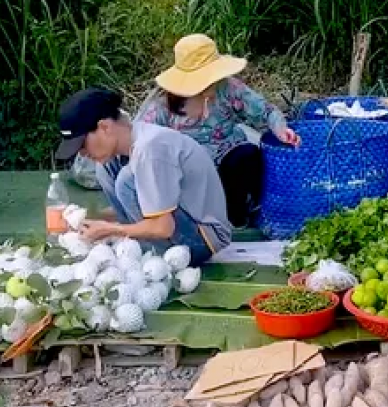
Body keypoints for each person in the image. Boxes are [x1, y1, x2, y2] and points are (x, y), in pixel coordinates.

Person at [137, 34, 299, 227]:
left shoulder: (228, 88)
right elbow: (143, 140)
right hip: (188, 173)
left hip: (227, 159)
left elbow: (266, 111)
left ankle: (238, 217)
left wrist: (281, 130)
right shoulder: (163, 105)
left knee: (247, 156)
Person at [56, 87, 231, 264]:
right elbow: (143, 208)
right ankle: (134, 244)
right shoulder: (130, 145)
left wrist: (110, 229)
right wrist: (91, 218)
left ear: (105, 127)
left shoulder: (149, 149)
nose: (83, 154)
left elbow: (163, 227)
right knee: (106, 169)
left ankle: (147, 249)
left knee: (125, 180)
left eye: (82, 145)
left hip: (202, 239)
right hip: (178, 223)